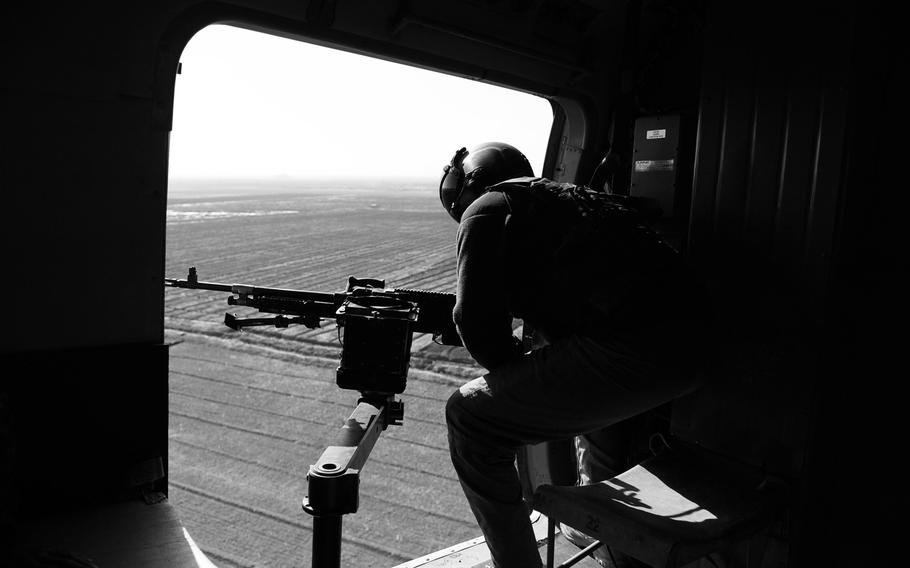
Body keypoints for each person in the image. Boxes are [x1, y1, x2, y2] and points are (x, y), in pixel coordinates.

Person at [439, 142, 712, 568]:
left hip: (637, 349)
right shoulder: (572, 200)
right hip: (699, 348)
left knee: (469, 417)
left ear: (470, 184)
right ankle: (610, 546)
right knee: (575, 384)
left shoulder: (489, 208)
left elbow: (479, 330)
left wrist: (514, 361)